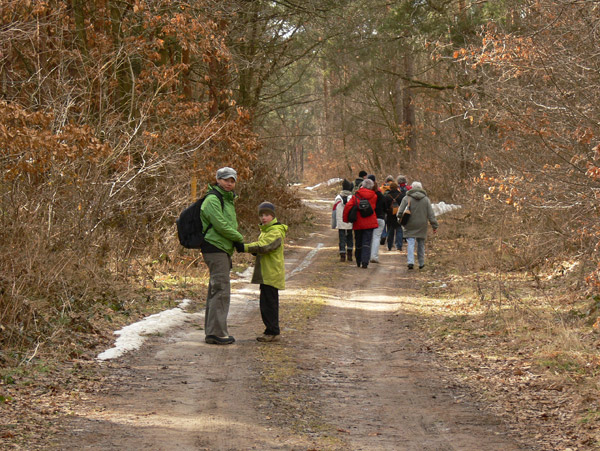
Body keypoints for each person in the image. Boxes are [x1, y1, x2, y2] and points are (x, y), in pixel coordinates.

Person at [200, 167, 245, 345]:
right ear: (217, 180)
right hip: (215, 247)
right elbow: (220, 225)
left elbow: (227, 225)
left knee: (216, 290)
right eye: (225, 179)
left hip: (222, 248)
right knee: (221, 290)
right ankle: (217, 333)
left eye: (232, 180)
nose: (229, 183)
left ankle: (213, 331)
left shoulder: (227, 199)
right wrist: (238, 238)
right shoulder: (212, 199)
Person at [243, 202, 288, 342]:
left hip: (271, 274)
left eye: (267, 215)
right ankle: (271, 331)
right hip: (266, 273)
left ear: (273, 216)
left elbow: (266, 246)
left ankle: (272, 332)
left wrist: (243, 247)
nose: (264, 218)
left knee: (269, 304)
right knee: (266, 303)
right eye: (261, 215)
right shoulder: (267, 231)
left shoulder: (275, 231)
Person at [396, 181, 438, 270]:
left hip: (409, 223)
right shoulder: (426, 200)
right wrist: (434, 225)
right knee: (421, 244)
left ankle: (410, 262)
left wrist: (400, 220)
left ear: (412, 188)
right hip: (422, 224)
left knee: (410, 242)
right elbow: (431, 214)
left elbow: (399, 212)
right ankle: (421, 263)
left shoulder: (406, 198)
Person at [343, 178, 378, 268]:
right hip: (370, 221)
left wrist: (346, 219)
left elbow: (348, 206)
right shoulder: (374, 196)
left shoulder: (356, 196)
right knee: (367, 242)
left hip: (358, 221)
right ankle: (365, 262)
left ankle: (358, 260)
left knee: (358, 241)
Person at [332, 179, 354, 262]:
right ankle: (350, 254)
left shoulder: (337, 198)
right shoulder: (352, 198)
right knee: (350, 237)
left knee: (341, 238)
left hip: (340, 222)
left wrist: (334, 224)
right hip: (350, 221)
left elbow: (334, 212)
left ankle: (342, 255)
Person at [367, 175, 385, 264]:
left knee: (368, 237)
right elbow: (385, 207)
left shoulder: (367, 194)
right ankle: (374, 256)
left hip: (369, 217)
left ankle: (367, 255)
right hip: (380, 217)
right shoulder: (380, 194)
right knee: (376, 237)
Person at [383, 182, 405, 251]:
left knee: (390, 231)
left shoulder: (387, 196)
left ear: (390, 188)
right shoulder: (401, 196)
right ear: (397, 187)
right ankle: (399, 246)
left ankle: (389, 246)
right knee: (399, 230)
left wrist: (388, 212)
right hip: (399, 215)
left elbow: (385, 207)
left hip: (390, 215)